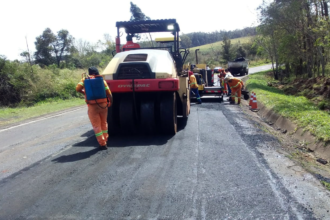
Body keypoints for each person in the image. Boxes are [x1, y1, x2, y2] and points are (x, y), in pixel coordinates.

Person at [76, 67, 113, 149]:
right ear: (97, 73)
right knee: (104, 123)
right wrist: (110, 102)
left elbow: (77, 89)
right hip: (103, 105)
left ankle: (102, 144)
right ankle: (105, 140)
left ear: (90, 73)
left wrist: (84, 93)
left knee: (96, 125)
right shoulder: (102, 80)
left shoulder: (85, 80)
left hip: (92, 106)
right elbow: (109, 94)